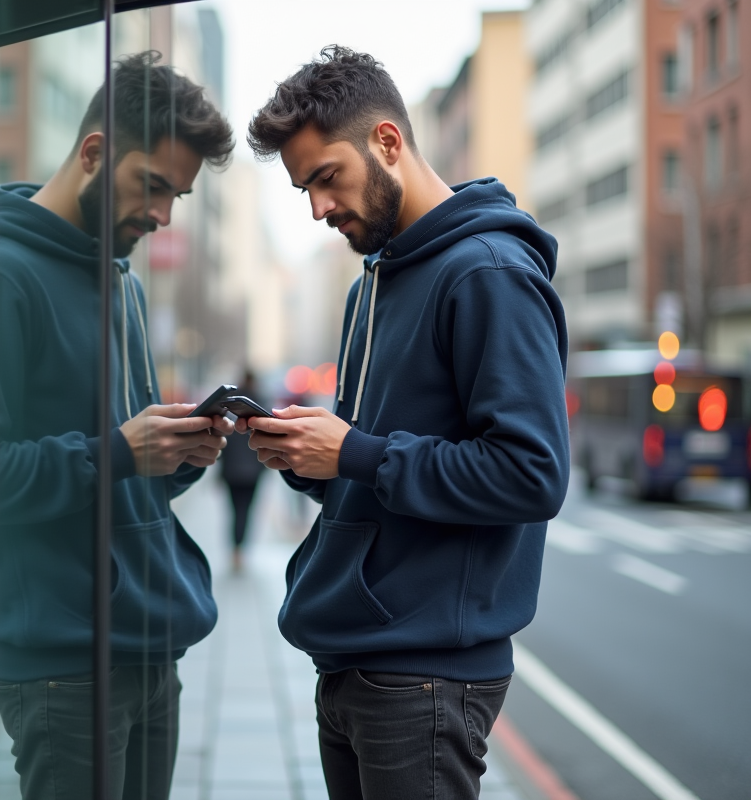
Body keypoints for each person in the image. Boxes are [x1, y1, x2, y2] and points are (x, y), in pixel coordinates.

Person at [242, 47, 570, 800]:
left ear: (387, 143)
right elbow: (383, 468)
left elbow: (531, 473)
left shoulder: (488, 272)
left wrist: (354, 451)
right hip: (354, 656)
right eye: (303, 189)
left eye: (327, 177)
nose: (317, 208)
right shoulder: (373, 283)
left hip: (426, 677)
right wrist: (310, 456)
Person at [0, 52, 236, 800]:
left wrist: (181, 452)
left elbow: (118, 465)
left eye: (177, 196)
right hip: (64, 663)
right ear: (94, 152)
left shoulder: (118, 275)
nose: (161, 215)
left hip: (151, 645)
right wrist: (121, 453)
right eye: (151, 186)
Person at [218, 371, 266, 573]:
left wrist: (220, 473)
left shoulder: (230, 411)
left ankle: (235, 550)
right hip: (253, 472)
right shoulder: (262, 408)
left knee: (234, 510)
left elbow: (224, 447)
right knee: (247, 510)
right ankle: (241, 550)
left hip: (232, 473)